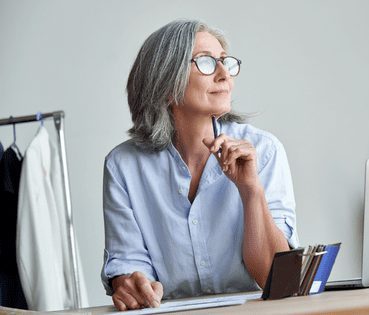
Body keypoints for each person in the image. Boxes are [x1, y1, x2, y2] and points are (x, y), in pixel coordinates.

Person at [101, 19, 299, 311]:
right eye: (206, 62)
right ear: (166, 84)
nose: (224, 75)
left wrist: (250, 190)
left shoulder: (264, 151)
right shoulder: (124, 166)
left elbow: (276, 278)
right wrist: (130, 284)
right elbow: (130, 268)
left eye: (225, 62)